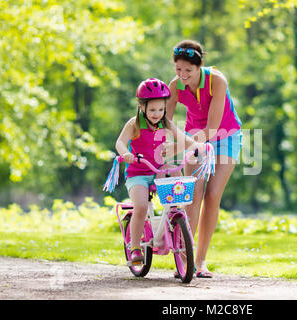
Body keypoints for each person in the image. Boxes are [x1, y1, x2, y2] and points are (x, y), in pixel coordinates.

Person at [167, 40, 242, 278]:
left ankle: (200, 262)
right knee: (192, 195)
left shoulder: (217, 80)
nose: (183, 75)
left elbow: (212, 127)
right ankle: (185, 261)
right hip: (193, 137)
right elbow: (165, 122)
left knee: (212, 195)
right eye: (179, 69)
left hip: (225, 136)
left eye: (188, 70)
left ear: (200, 66)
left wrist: (180, 145)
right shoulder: (175, 86)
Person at [115, 78, 204, 264]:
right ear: (142, 106)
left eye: (161, 109)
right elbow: (120, 142)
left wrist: (197, 145)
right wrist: (126, 154)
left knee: (174, 171)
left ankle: (175, 212)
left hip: (157, 171)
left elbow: (184, 138)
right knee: (140, 207)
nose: (157, 114)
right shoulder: (134, 123)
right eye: (153, 109)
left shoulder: (165, 122)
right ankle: (135, 248)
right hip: (137, 173)